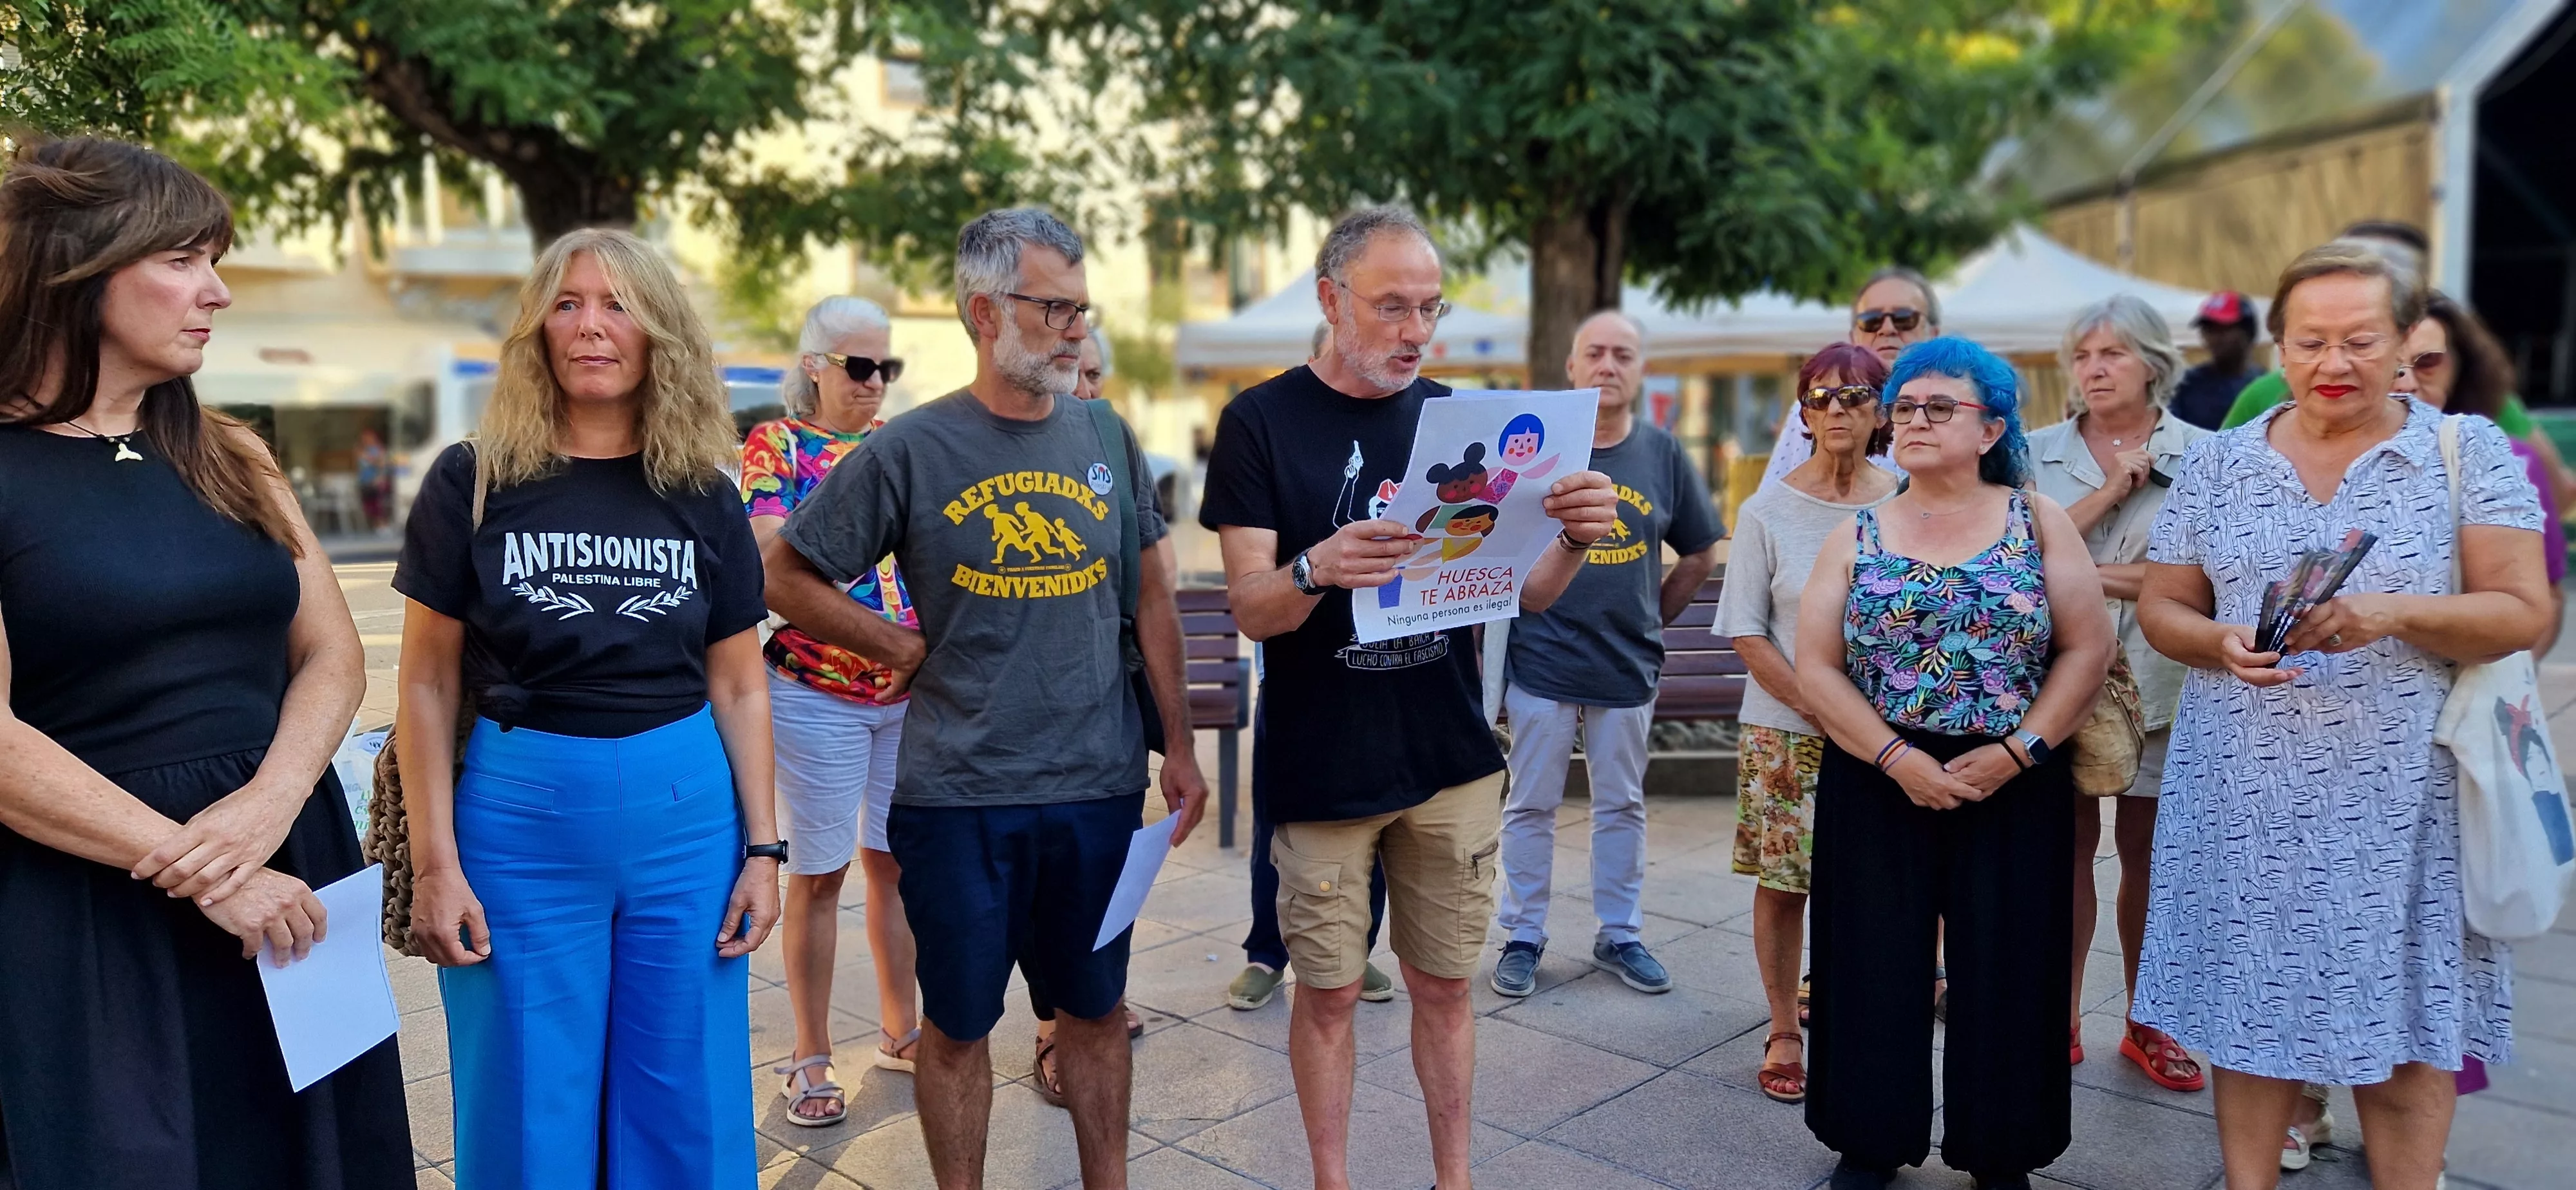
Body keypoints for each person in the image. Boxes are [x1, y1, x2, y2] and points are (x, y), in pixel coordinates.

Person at [762, 207, 1207, 1190]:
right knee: (957, 1026)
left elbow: (1152, 597)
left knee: (1094, 1012)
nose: (1075, 330)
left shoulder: (1105, 433)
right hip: (957, 796)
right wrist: (896, 645)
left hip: (1095, 789)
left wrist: (1177, 744)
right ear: (983, 311)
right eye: (1055, 308)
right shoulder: (910, 449)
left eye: (1081, 309)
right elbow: (786, 576)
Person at [0, 136, 412, 1190]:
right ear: (75, 268)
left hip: (290, 867)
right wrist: (207, 871)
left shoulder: (234, 449)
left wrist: (269, 807)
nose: (217, 292)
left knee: (323, 1156)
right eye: (184, 259)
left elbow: (329, 654)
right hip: (92, 898)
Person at [1199, 204, 1617, 1190]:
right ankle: (1333, 1181)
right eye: (1391, 306)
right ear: (1330, 299)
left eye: (1428, 308)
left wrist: (1572, 537)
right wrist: (1317, 568)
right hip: (1324, 762)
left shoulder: (1464, 422)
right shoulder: (1261, 421)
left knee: (1443, 988)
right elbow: (1253, 610)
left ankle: (1454, 1178)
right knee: (1332, 997)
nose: (1414, 330)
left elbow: (1522, 592)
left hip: (1449, 760)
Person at [2135, 242, 2551, 1190]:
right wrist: (2219, 641)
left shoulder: (2464, 450)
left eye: (2362, 340)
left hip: (2406, 801)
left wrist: (2389, 614)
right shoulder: (2223, 463)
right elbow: (2164, 609)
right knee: (2248, 1017)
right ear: (2277, 345)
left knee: (2406, 1025)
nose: (2335, 364)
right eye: (2310, 342)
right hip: (2242, 791)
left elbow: (2522, 612)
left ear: (2407, 340)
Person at [394, 227, 781, 1190]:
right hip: (518, 827)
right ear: (537, 330)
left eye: (617, 306)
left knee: (685, 1098)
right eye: (568, 304)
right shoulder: (474, 479)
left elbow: (739, 682)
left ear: (659, 334)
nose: (592, 327)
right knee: (528, 1105)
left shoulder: (702, 491)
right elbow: (428, 681)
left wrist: (766, 852)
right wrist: (438, 866)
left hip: (688, 825)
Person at [1792, 337, 2115, 1190]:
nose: (1914, 421)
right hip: (1878, 771)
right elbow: (1817, 665)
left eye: (1939, 408)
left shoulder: (2035, 519)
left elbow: (2089, 646)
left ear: (1992, 428)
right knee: (1868, 960)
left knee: (2012, 962)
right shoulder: (1857, 533)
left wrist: (2020, 751)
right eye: (1903, 408)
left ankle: (2002, 1147)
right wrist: (1896, 756)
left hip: (2014, 775)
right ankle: (1868, 1140)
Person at [1491, 309, 1722, 999]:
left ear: (1639, 368)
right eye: (1594, 352)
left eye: (1623, 354)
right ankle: (1522, 935)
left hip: (1625, 666)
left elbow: (1702, 549)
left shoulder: (1662, 454)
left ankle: (1619, 932)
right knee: (1529, 805)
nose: (1607, 365)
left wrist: (1655, 615)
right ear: (1571, 366)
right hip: (1541, 660)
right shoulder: (1536, 450)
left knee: (1621, 805)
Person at [2023, 295, 2211, 1091]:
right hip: (2054, 681)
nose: (2094, 369)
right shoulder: (2032, 452)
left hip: (2163, 683)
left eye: (2112, 354)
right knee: (2061, 854)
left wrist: (2076, 571)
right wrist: (2107, 493)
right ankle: (2057, 1016)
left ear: (2152, 362)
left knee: (2151, 861)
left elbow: (2202, 585)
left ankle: (2148, 1020)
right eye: (2083, 356)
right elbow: (2010, 551)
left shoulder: (2206, 456)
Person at [741, 296, 918, 1124]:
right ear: (814, 364)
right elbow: (770, 559)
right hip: (816, 688)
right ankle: (808, 1057)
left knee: (894, 864)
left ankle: (901, 1028)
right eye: (859, 366)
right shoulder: (776, 445)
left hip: (907, 691)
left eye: (888, 367)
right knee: (818, 874)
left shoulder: (900, 443)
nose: (876, 382)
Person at [1714, 341, 1896, 1104]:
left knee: (1878, 887)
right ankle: (1784, 1025)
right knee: (1786, 884)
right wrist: (1827, 707)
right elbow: (1748, 633)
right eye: (1819, 397)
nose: (1835, 411)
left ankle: (1862, 1018)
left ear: (1882, 410)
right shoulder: (1766, 507)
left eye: (1853, 396)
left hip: (1893, 736)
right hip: (1789, 730)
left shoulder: (1908, 500)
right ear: (1802, 410)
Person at [2397, 291, 2566, 656]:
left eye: (2428, 362)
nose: (2406, 381)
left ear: (2460, 367)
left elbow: (2548, 597)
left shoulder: (2511, 460)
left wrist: (2502, 687)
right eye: (2390, 364)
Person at [1761, 266, 1939, 488]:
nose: (1887, 329)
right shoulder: (1815, 405)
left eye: (1904, 318)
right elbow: (1774, 504)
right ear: (1854, 336)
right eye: (1871, 320)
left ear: (1934, 334)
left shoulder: (1963, 408)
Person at [2168, 292, 2262, 431]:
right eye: (2208, 330)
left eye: (2223, 329)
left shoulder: (2267, 386)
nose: (2214, 338)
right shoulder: (2185, 385)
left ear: (2248, 332)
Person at [356, 424, 393, 531]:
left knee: (379, 499)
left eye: (369, 436)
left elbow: (382, 464)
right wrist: (374, 460)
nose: (366, 439)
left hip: (376, 481)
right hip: (364, 482)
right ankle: (374, 524)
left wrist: (379, 477)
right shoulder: (360, 449)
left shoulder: (379, 449)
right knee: (368, 501)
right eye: (364, 437)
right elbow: (362, 461)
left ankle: (381, 524)